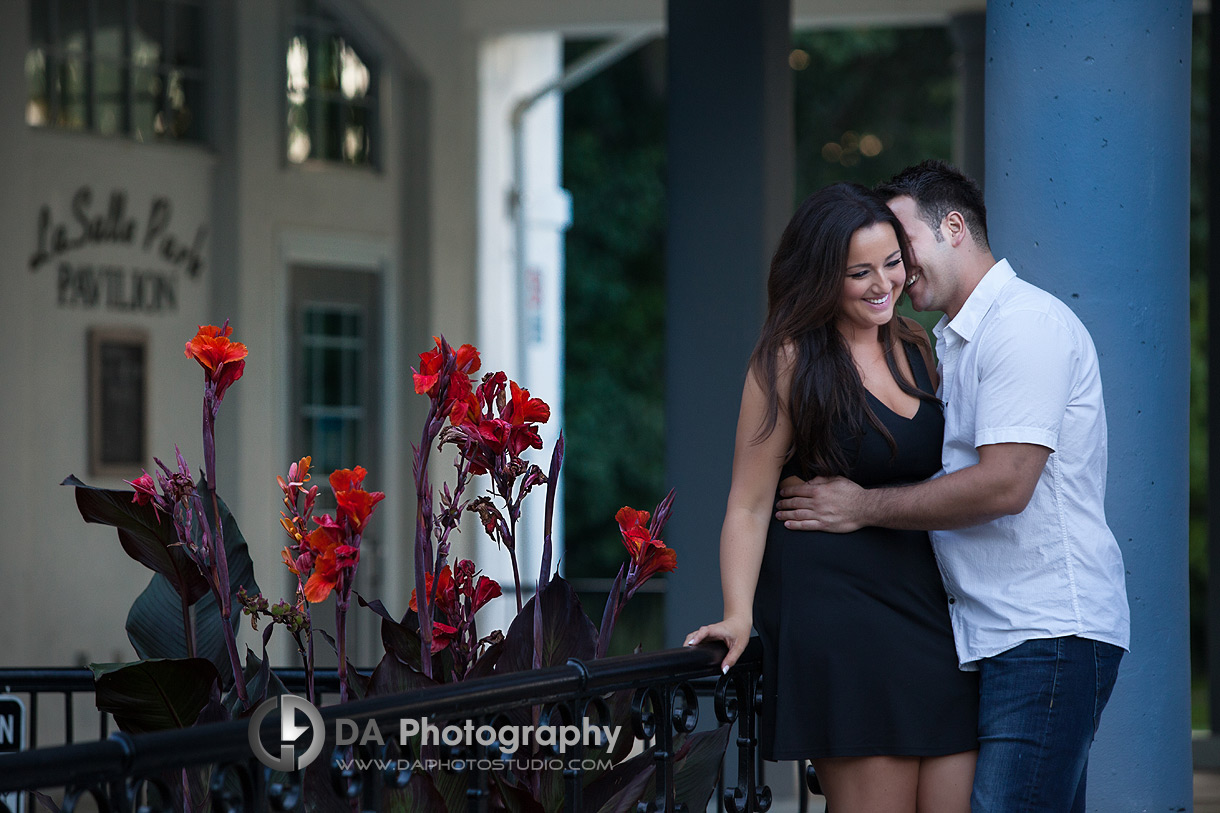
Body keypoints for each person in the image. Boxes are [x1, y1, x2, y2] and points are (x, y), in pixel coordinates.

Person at [775, 160, 1130, 813]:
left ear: (955, 227)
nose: (896, 272)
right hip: (991, 636)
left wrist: (860, 506)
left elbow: (1004, 485)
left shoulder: (1022, 326)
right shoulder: (946, 346)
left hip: (1045, 633)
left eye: (902, 249)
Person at [684, 181, 978, 813]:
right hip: (839, 621)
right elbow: (748, 503)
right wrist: (737, 613)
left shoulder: (918, 348)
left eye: (893, 263)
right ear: (822, 276)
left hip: (927, 611)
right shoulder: (787, 362)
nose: (883, 284)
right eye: (859, 272)